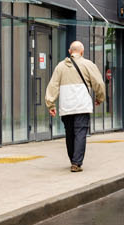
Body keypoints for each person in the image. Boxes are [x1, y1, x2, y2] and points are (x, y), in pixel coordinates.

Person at [45, 40, 107, 172]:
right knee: (80, 133)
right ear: (82, 52)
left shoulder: (60, 67)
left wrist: (51, 104)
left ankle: (73, 159)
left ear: (69, 51)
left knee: (70, 134)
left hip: (66, 107)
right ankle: (76, 162)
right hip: (82, 106)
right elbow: (99, 83)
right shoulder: (88, 65)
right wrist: (100, 98)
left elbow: (53, 85)